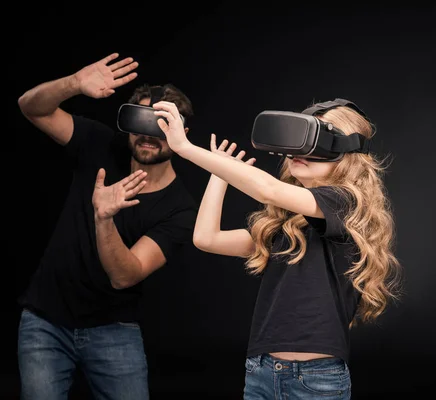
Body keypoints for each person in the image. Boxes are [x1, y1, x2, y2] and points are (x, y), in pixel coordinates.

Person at [150, 98, 402, 399]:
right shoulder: (285, 226)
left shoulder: (345, 203)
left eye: (317, 144)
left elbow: (267, 188)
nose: (301, 153)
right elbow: (206, 238)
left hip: (316, 378)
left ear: (345, 155)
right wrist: (220, 174)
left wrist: (186, 148)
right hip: (261, 370)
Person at [17, 53, 198, 399]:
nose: (148, 136)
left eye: (161, 125)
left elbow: (124, 275)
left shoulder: (180, 209)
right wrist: (72, 84)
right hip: (46, 321)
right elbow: (30, 107)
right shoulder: (99, 143)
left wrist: (104, 219)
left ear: (181, 134)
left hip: (114, 329)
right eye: (141, 121)